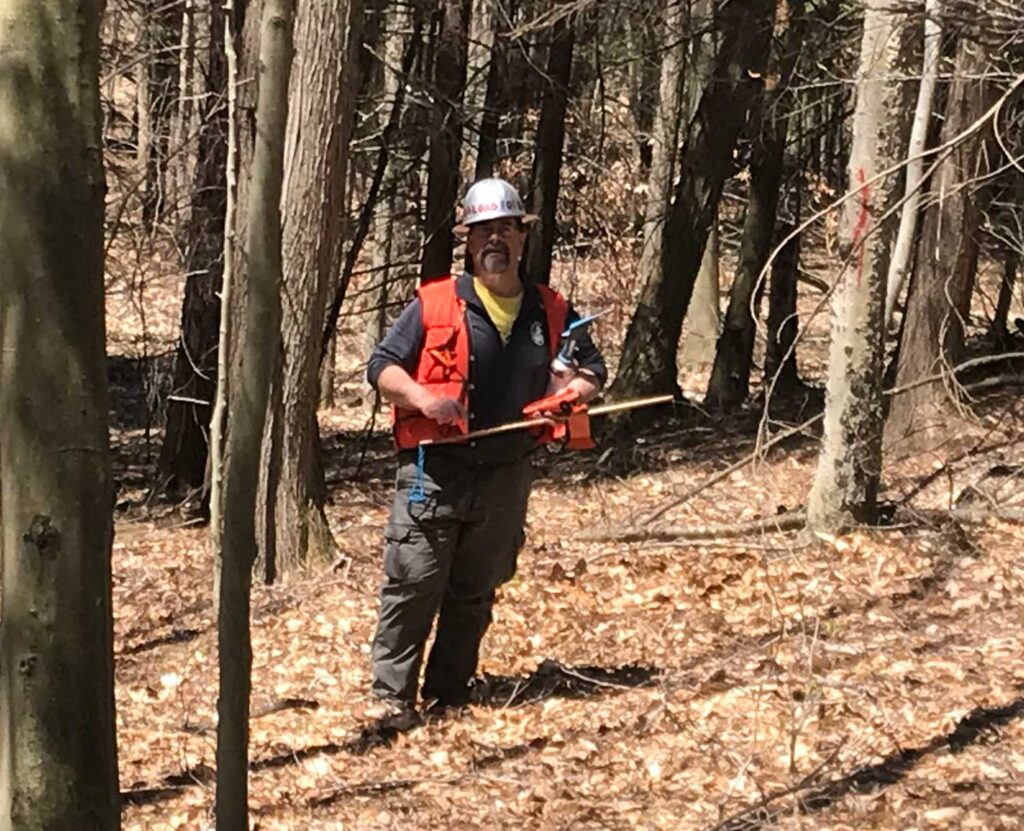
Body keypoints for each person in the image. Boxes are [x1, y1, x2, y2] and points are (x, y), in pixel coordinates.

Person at [365, 177, 607, 718]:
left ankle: (450, 694)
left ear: (522, 238)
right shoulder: (434, 303)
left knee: (476, 590)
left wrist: (570, 395)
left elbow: (593, 370)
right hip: (434, 472)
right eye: (482, 233)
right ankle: (390, 700)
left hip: (506, 471)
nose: (493, 241)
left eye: (504, 230)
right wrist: (424, 399)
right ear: (468, 243)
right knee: (413, 586)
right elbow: (381, 368)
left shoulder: (552, 309)